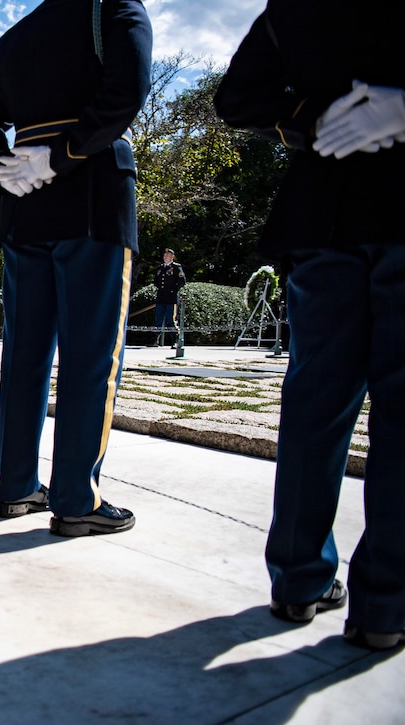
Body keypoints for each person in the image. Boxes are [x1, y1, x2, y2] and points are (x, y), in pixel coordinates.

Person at [215, 0, 405, 649]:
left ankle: (298, 578)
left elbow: (241, 96)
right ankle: (385, 600)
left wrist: (316, 121)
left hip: (324, 212)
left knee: (315, 404)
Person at [0, 0, 151, 535]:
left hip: (26, 207)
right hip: (90, 197)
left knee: (24, 358)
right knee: (90, 356)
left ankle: (16, 485)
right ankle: (75, 498)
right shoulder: (115, 10)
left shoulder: (16, 36)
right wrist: (64, 154)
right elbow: (124, 97)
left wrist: (5, 174)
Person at [150, 247, 185, 347]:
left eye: (168, 255)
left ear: (172, 257)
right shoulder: (160, 268)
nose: (165, 257)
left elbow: (182, 281)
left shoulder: (176, 267)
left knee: (171, 320)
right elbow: (156, 281)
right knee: (158, 319)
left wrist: (173, 290)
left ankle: (175, 340)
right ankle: (155, 339)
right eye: (164, 255)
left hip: (171, 298)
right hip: (161, 297)